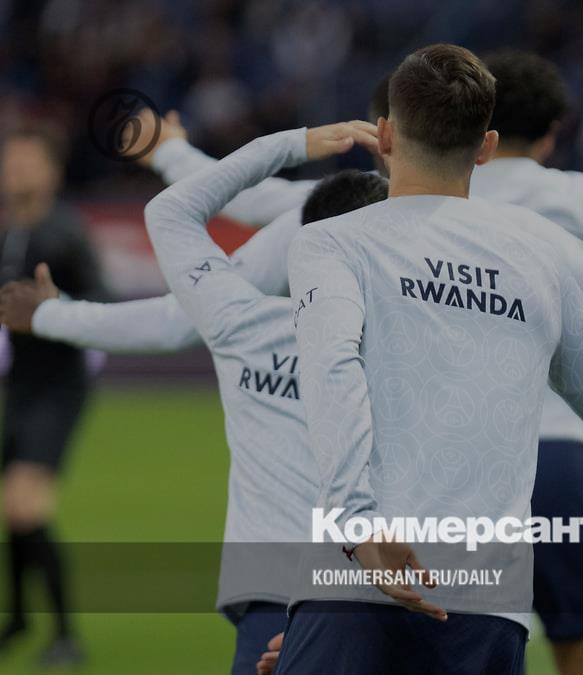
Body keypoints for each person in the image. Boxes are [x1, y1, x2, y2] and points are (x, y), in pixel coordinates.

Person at [274, 44, 583, 675]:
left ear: (385, 135)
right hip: (484, 604)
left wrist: (357, 525)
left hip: (353, 580)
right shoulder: (539, 257)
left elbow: (332, 373)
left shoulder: (331, 244)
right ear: (486, 147)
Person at [3, 121, 380, 674]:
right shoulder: (421, 336)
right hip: (384, 578)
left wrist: (292, 142)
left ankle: (49, 629)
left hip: (273, 578)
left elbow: (175, 213)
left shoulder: (241, 323)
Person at [0, 123, 105, 666]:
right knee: (13, 510)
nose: (15, 170)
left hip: (58, 390)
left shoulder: (64, 234)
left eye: (27, 161)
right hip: (19, 388)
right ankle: (18, 618)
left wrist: (57, 306)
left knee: (26, 505)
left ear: (52, 173)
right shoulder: (9, 233)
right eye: (10, 161)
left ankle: (66, 636)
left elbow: (103, 297)